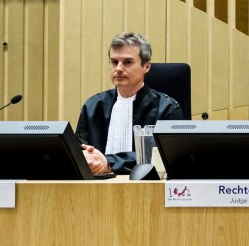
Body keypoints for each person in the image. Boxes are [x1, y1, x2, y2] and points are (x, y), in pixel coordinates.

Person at [75, 32, 183, 175]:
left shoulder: (168, 108)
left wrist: (108, 163)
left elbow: (165, 157)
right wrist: (89, 160)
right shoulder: (93, 106)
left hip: (147, 187)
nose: (119, 68)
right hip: (96, 188)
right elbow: (79, 152)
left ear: (147, 66)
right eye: (114, 62)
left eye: (127, 62)